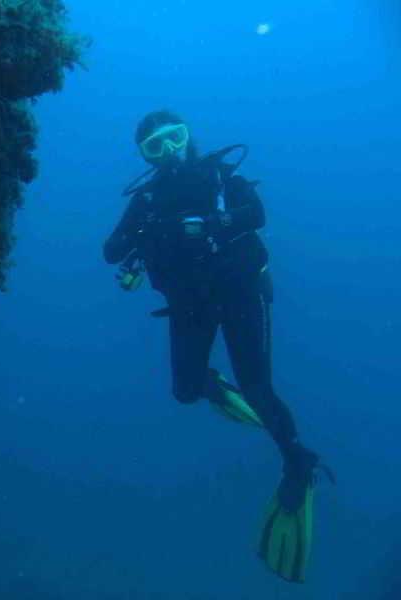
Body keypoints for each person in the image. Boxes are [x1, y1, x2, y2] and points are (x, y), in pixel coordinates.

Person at [104, 110, 332, 583]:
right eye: (154, 146)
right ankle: (211, 384)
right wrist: (151, 233)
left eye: (174, 138)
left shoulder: (223, 176)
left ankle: (297, 464)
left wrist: (211, 223)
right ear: (145, 155)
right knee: (185, 391)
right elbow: (111, 249)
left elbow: (258, 215)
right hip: (191, 306)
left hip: (242, 294)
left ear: (189, 136)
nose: (168, 151)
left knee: (258, 386)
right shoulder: (147, 199)